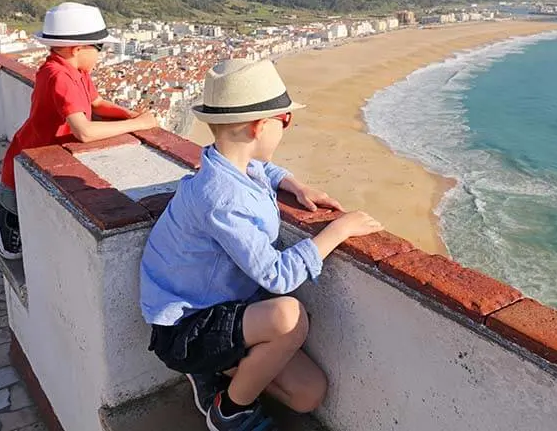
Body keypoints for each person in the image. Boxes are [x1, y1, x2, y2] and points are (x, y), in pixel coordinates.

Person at [139, 59, 383, 430]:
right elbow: (277, 276)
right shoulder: (221, 198)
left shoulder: (229, 164)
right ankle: (229, 411)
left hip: (223, 312)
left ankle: (216, 378)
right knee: (290, 316)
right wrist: (339, 231)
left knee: (307, 394)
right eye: (285, 119)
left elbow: (263, 170)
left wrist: (295, 184)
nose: (286, 127)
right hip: (186, 328)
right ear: (258, 126)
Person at [0, 2, 157, 259]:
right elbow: (84, 132)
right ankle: (1, 217)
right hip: (25, 162)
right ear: (78, 48)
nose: (102, 54)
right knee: (15, 231)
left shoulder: (75, 70)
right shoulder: (59, 76)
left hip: (45, 157)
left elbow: (97, 103)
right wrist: (139, 124)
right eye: (99, 47)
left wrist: (131, 114)